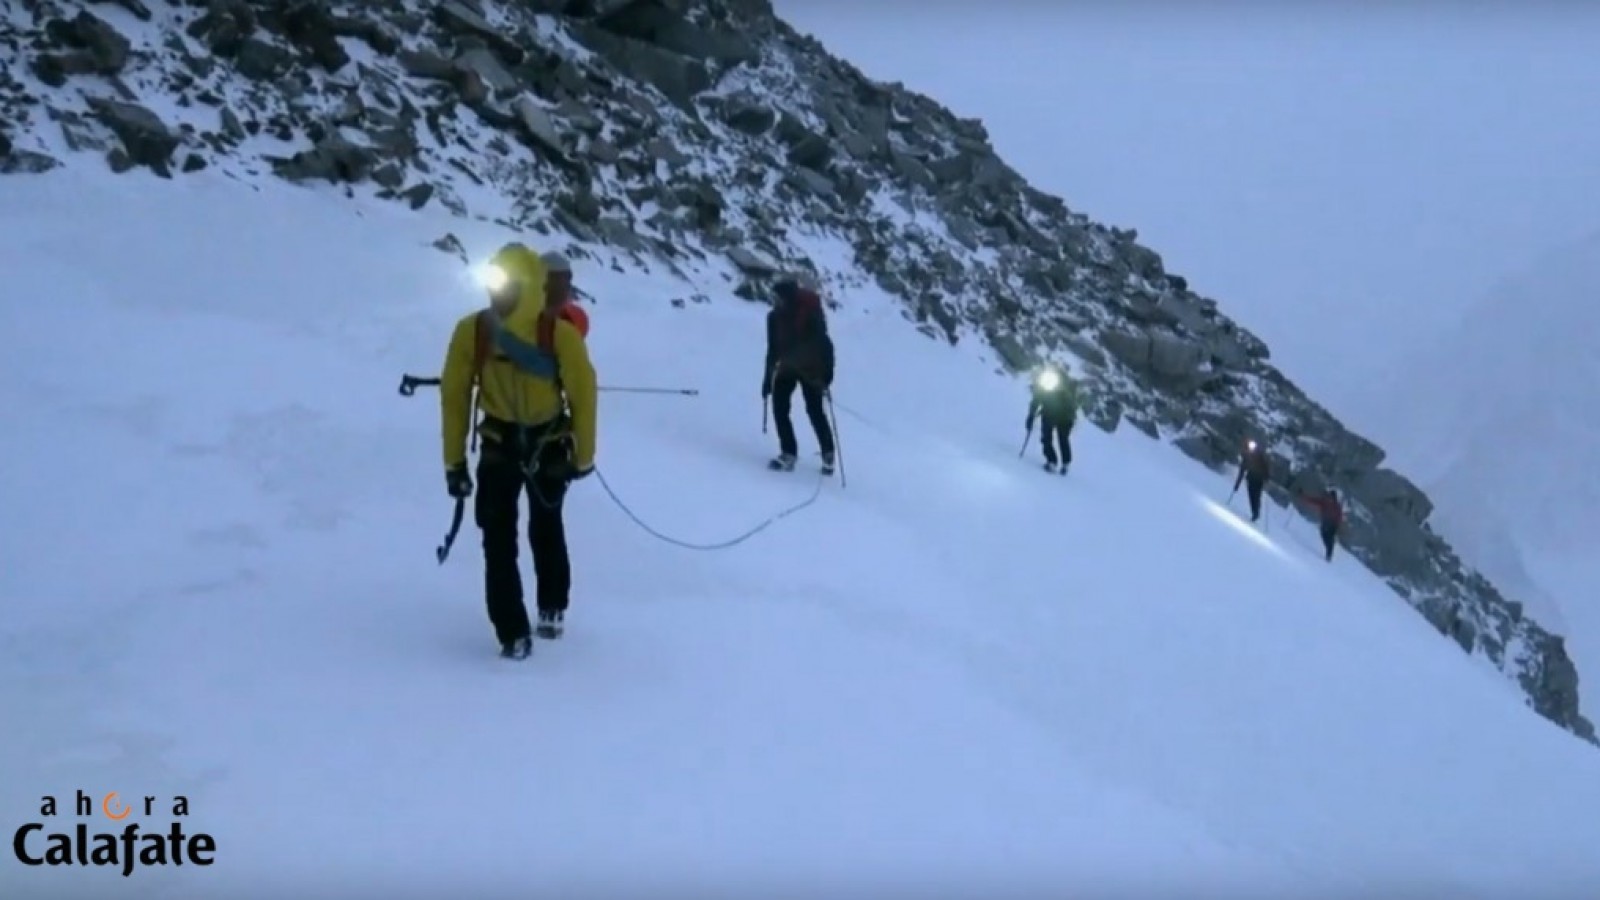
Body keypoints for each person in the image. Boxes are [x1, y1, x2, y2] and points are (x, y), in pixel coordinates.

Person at [439, 242, 598, 659]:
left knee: (539, 528)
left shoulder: (555, 334)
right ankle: (513, 628)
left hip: (540, 445)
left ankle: (549, 607)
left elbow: (583, 394)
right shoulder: (473, 331)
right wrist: (453, 461)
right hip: (504, 446)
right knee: (501, 537)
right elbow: (453, 397)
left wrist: (584, 453)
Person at [762, 277, 836, 473]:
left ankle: (828, 453)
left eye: (776, 297)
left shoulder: (808, 315)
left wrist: (826, 376)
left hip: (811, 370)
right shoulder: (773, 318)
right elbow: (773, 349)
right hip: (788, 367)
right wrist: (767, 379)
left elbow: (825, 346)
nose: (774, 301)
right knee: (780, 408)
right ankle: (788, 453)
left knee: (814, 411)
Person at [1025, 363, 1078, 473]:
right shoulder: (1045, 383)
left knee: (1062, 438)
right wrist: (1031, 415)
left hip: (1064, 415)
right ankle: (1052, 460)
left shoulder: (1066, 384)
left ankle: (1064, 463)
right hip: (1050, 413)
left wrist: (1031, 415)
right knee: (1047, 437)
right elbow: (1036, 399)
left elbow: (1070, 402)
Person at [1297, 488, 1343, 562]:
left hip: (1332, 525)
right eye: (1329, 497)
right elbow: (1313, 501)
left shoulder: (1336, 507)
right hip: (1325, 523)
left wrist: (1337, 527)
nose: (1330, 499)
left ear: (1334, 498)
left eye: (1332, 498)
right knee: (1324, 536)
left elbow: (1339, 517)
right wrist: (1303, 496)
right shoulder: (1324, 502)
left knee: (1330, 540)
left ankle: (1329, 554)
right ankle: (1329, 550)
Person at [1232, 439, 1271, 522]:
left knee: (1256, 496)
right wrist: (1237, 485)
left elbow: (1266, 466)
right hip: (1251, 478)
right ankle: (1254, 513)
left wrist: (1267, 478)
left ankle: (1256, 513)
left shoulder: (1260, 455)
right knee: (1251, 495)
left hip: (1259, 479)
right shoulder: (1246, 457)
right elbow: (1242, 470)